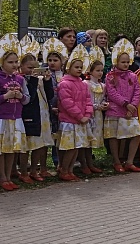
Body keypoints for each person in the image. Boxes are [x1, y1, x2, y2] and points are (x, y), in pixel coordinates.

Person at [105, 39, 140, 173]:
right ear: (116, 62)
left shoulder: (133, 76)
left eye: (128, 62)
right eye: (123, 62)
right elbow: (111, 93)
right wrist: (125, 104)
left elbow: (138, 91)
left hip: (130, 112)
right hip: (115, 111)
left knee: (136, 134)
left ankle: (129, 161)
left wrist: (133, 105)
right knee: (114, 137)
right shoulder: (110, 76)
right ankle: (116, 161)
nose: (126, 64)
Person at [19, 39, 55, 182]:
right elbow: (30, 98)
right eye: (29, 67)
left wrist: (47, 81)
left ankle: (35, 170)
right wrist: (33, 80)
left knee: (39, 144)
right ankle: (23, 172)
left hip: (43, 115)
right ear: (21, 67)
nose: (32, 71)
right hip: (29, 115)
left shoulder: (39, 79)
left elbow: (50, 96)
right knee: (26, 145)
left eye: (35, 67)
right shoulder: (22, 80)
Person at [57, 45, 92, 182]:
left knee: (77, 147)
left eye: (80, 67)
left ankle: (70, 171)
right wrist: (80, 116)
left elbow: (88, 100)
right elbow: (67, 103)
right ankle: (64, 170)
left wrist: (87, 115)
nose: (79, 69)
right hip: (69, 122)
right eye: (76, 67)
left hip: (81, 121)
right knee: (69, 148)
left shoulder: (83, 84)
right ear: (68, 68)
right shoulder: (64, 84)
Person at [0, 35, 29, 191]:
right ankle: (2, 177)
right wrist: (6, 96)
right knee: (2, 150)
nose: (14, 65)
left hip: (16, 119)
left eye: (16, 62)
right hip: (2, 119)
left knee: (11, 148)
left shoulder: (20, 79)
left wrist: (20, 96)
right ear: (2, 63)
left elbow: (27, 99)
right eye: (10, 62)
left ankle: (9, 176)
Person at [42, 38, 67, 168]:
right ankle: (53, 160)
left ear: (62, 62)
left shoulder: (65, 75)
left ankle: (61, 161)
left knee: (60, 134)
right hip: (49, 108)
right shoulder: (46, 75)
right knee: (52, 134)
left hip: (64, 109)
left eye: (55, 60)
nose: (52, 63)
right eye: (50, 60)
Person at [80, 57, 107, 175]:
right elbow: (85, 100)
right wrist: (96, 106)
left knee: (91, 140)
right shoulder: (85, 84)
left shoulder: (103, 86)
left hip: (98, 115)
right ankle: (84, 164)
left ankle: (90, 164)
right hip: (88, 114)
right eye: (97, 70)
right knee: (85, 139)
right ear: (90, 71)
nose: (100, 73)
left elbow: (104, 98)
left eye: (101, 70)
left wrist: (104, 104)